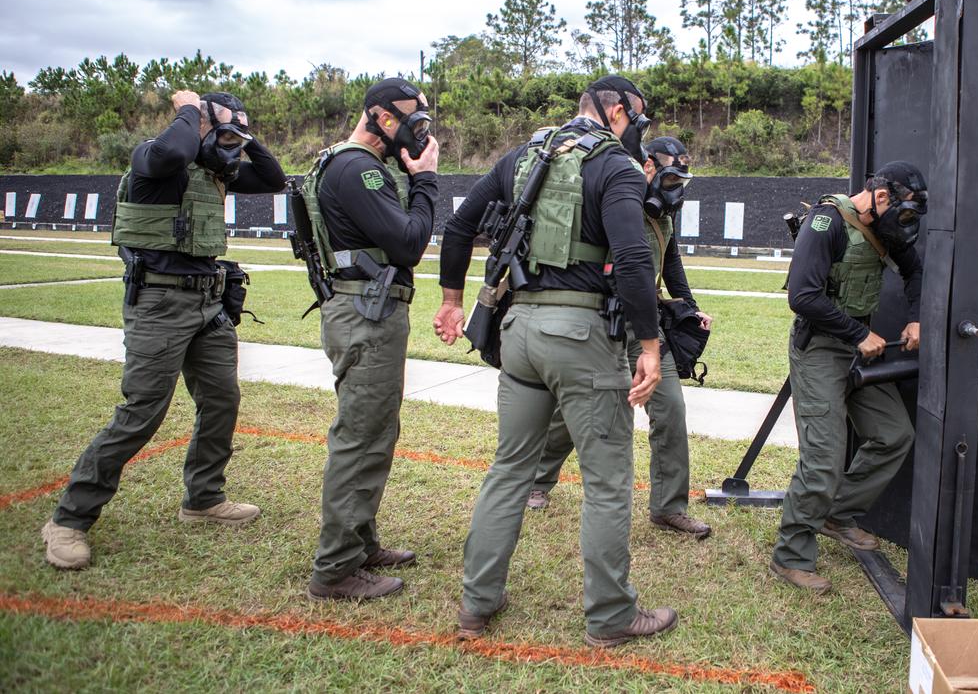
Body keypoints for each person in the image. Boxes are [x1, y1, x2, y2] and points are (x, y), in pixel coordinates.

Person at [433, 76, 676, 648]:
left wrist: (449, 299)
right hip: (582, 336)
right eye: (636, 116)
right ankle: (611, 615)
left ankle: (477, 602)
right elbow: (635, 255)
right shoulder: (614, 165)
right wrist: (649, 345)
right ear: (617, 111)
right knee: (608, 480)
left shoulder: (524, 156)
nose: (638, 128)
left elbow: (460, 225)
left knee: (509, 468)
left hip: (518, 331)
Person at [42, 90, 287, 570]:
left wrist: (241, 134)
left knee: (222, 399)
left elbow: (274, 178)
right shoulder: (153, 162)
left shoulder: (213, 172)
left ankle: (203, 499)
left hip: (207, 302)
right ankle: (68, 519)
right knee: (142, 412)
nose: (232, 145)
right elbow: (175, 150)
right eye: (224, 134)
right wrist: (191, 110)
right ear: (195, 125)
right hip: (158, 301)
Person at [526, 136, 713, 540]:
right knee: (573, 414)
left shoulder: (663, 216)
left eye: (683, 180)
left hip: (647, 330)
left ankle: (668, 507)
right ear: (648, 168)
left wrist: (689, 307)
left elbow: (671, 261)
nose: (676, 189)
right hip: (603, 324)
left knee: (671, 411)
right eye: (671, 179)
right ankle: (538, 481)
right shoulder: (615, 194)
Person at [302, 78, 439, 601]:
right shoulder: (358, 167)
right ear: (380, 117)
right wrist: (425, 181)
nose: (418, 131)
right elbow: (407, 242)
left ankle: (359, 542)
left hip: (363, 308)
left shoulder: (346, 164)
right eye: (410, 119)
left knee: (373, 431)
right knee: (360, 436)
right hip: (365, 313)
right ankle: (335, 568)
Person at [770, 161, 927, 594]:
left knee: (894, 434)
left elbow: (915, 270)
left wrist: (915, 320)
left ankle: (836, 514)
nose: (906, 223)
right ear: (881, 197)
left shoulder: (885, 226)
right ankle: (791, 556)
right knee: (822, 460)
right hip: (821, 345)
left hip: (860, 347)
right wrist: (860, 333)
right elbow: (802, 296)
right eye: (906, 213)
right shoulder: (826, 222)